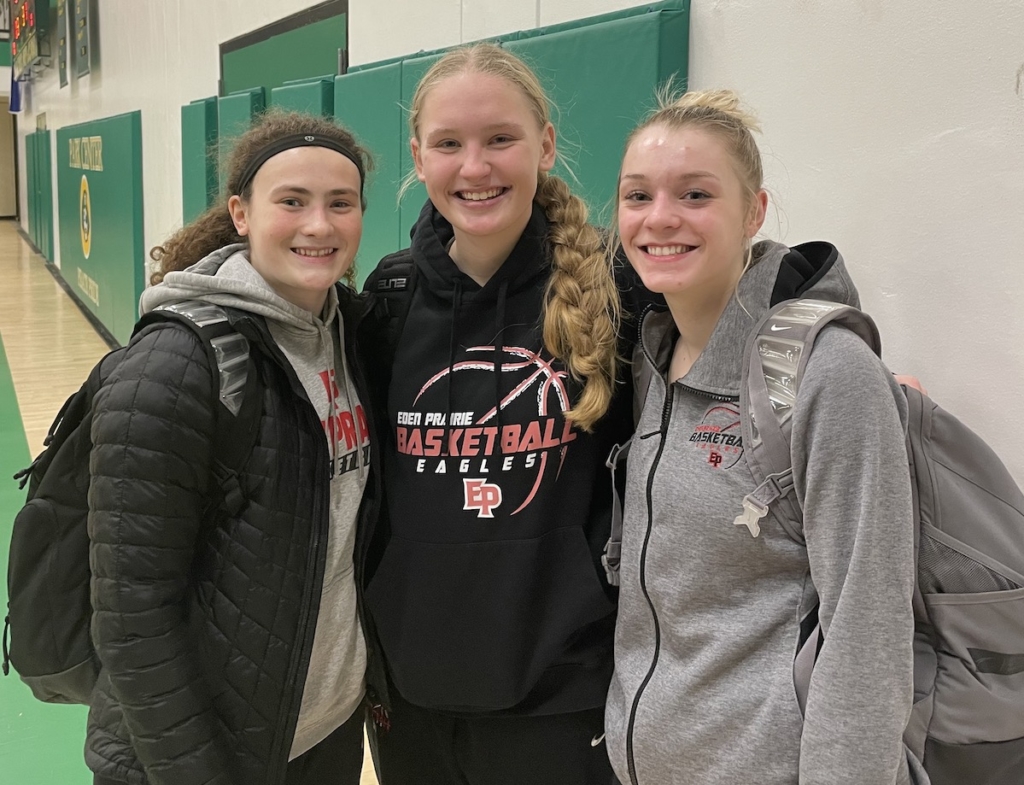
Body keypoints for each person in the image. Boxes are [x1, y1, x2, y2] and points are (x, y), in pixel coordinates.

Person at [604, 90, 927, 784]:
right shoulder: (651, 355)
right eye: (638, 196)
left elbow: (867, 629)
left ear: (753, 211)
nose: (660, 217)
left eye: (695, 193)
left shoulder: (829, 372)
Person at [359, 42, 649, 785]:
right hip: (414, 690)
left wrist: (830, 356)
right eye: (449, 144)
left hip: (563, 690)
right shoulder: (388, 300)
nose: (476, 167)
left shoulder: (616, 288)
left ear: (545, 145)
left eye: (500, 140)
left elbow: (733, 287)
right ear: (419, 158)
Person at [86, 111, 378, 785]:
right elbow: (131, 616)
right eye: (292, 201)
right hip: (194, 758)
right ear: (241, 213)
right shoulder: (173, 365)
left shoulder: (349, 334)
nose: (320, 225)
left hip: (324, 735)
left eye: (341, 203)